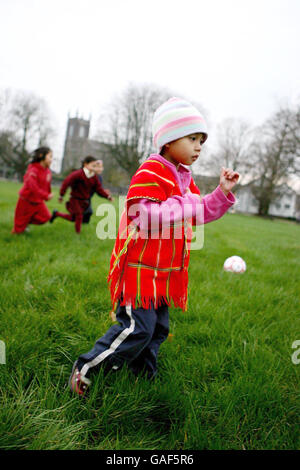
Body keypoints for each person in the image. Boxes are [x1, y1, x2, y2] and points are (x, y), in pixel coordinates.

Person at [69, 97, 240, 395]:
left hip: (164, 273)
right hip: (140, 273)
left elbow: (198, 212)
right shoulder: (151, 170)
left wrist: (221, 193)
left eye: (202, 140)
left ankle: (143, 378)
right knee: (138, 328)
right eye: (192, 138)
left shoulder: (184, 177)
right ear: (169, 140)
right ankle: (86, 367)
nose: (199, 146)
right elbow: (144, 215)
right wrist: (186, 203)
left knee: (158, 330)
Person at [50, 156, 112, 234]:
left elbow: (99, 189)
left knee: (73, 218)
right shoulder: (78, 174)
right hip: (75, 199)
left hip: (84, 201)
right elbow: (66, 182)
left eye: (95, 166)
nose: (95, 168)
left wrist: (107, 196)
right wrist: (61, 195)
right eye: (93, 166)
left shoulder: (94, 177)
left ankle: (56, 214)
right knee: (79, 216)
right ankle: (78, 234)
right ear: (86, 165)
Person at [12, 147, 53, 234]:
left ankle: (25, 222)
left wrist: (48, 195)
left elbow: (47, 185)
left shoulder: (48, 172)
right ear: (41, 156)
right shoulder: (33, 170)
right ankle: (21, 225)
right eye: (50, 156)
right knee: (18, 231)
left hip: (38, 201)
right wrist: (44, 195)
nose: (51, 160)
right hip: (26, 200)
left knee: (46, 217)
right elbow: (32, 186)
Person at [82, 160, 104, 224]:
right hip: (83, 195)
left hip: (88, 196)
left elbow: (99, 190)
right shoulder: (90, 175)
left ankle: (84, 223)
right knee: (88, 211)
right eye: (98, 167)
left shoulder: (99, 178)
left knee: (88, 213)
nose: (100, 169)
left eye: (101, 167)